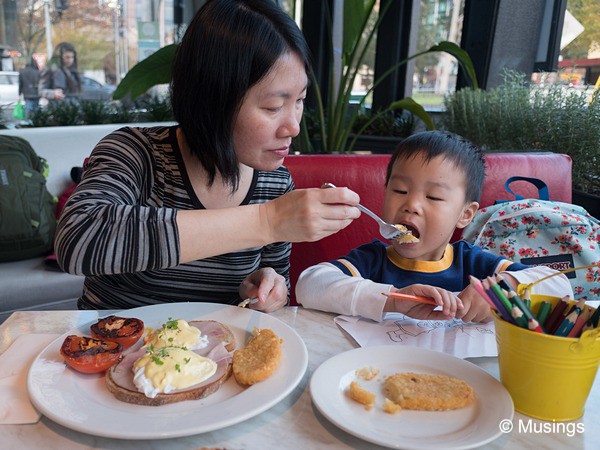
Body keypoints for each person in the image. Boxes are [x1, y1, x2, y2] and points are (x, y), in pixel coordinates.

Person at [54, 0, 360, 313]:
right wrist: (268, 220)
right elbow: (78, 238)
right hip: (111, 349)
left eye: (300, 100)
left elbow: (273, 285)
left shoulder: (275, 182)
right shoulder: (135, 152)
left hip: (214, 356)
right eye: (272, 107)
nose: (293, 127)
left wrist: (266, 288)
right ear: (213, 99)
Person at [296, 131, 573, 323]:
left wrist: (505, 288)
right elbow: (307, 286)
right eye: (400, 190)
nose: (412, 205)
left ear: (465, 214)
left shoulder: (471, 263)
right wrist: (392, 300)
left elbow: (561, 287)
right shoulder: (373, 261)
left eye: (433, 197)